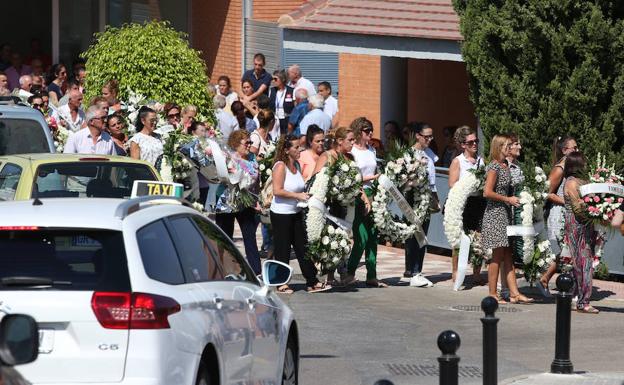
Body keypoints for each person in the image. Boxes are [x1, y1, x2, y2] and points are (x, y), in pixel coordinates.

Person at [270, 134, 328, 293]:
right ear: (286, 150)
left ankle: (312, 281)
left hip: (296, 212)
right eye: (296, 147)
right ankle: (281, 283)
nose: (300, 150)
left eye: (299, 146)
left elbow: (300, 187)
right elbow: (277, 191)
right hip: (281, 214)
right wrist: (297, 196)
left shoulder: (296, 164)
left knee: (303, 248)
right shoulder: (280, 166)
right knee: (283, 249)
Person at [482, 134, 533, 304]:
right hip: (495, 214)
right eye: (506, 145)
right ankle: (492, 293)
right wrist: (507, 199)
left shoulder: (505, 166)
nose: (509, 147)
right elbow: (487, 192)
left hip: (505, 213)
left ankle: (514, 293)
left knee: (507, 254)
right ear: (498, 147)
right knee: (497, 255)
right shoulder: (494, 167)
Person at [344, 117, 386, 288]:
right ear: (359, 131)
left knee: (373, 235)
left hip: (373, 193)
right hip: (358, 195)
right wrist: (371, 178)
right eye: (367, 130)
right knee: (361, 236)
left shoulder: (371, 150)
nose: (370, 133)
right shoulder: (352, 151)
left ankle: (372, 275)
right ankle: (350, 273)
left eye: (371, 130)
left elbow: (375, 170)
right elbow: (351, 177)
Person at [312, 126, 357, 285]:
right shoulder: (327, 156)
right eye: (350, 140)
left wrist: (362, 196)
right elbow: (315, 179)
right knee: (330, 238)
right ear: (339, 141)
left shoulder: (350, 159)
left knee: (344, 237)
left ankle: (342, 273)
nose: (353, 142)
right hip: (329, 206)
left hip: (345, 205)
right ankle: (329, 275)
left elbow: (356, 181)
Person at [214, 130, 262, 274]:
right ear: (235, 144)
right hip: (226, 201)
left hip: (246, 202)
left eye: (250, 142)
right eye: (246, 143)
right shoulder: (227, 157)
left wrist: (256, 199)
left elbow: (256, 180)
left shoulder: (252, 157)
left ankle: (256, 272)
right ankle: (224, 270)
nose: (249, 145)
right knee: (225, 238)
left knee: (250, 237)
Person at [562, 151, 602, 313]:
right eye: (583, 162)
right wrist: (592, 207)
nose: (586, 164)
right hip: (576, 224)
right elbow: (578, 208)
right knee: (583, 262)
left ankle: (579, 297)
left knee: (583, 262)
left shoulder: (584, 181)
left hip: (586, 224)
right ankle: (583, 301)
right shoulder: (571, 183)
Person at [540, 135, 578, 296]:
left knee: (569, 250)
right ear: (564, 150)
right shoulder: (559, 169)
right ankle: (543, 279)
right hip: (558, 213)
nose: (577, 150)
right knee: (560, 251)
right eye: (574, 148)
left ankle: (570, 285)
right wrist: (567, 201)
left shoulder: (572, 167)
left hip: (570, 212)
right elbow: (547, 193)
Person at [447, 125, 485, 285]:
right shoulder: (458, 161)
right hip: (463, 203)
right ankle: (455, 271)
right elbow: (452, 184)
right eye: (470, 142)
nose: (475, 144)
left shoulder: (481, 161)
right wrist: (469, 184)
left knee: (479, 236)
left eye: (476, 141)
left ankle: (476, 272)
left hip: (478, 202)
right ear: (463, 145)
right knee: (460, 237)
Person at [405, 122, 439, 287]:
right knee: (415, 234)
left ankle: (416, 270)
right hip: (414, 197)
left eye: (431, 136)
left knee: (422, 235)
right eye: (426, 137)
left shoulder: (429, 153)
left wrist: (435, 198)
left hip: (427, 196)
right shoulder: (410, 154)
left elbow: (433, 180)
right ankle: (414, 270)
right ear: (418, 135)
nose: (429, 139)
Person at [268, 69, 295, 135]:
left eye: (275, 79)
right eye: (272, 79)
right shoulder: (272, 90)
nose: (273, 81)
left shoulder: (291, 91)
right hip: (275, 119)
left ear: (282, 79)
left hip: (286, 119)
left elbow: (295, 106)